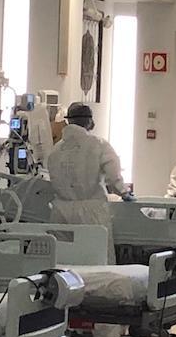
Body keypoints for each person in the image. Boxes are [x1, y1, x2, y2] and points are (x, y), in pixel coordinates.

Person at [47, 103, 132, 263]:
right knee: (96, 260)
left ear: (68, 121)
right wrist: (124, 192)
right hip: (91, 214)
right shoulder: (98, 145)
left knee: (63, 261)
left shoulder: (55, 150)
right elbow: (113, 178)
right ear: (89, 122)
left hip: (60, 213)